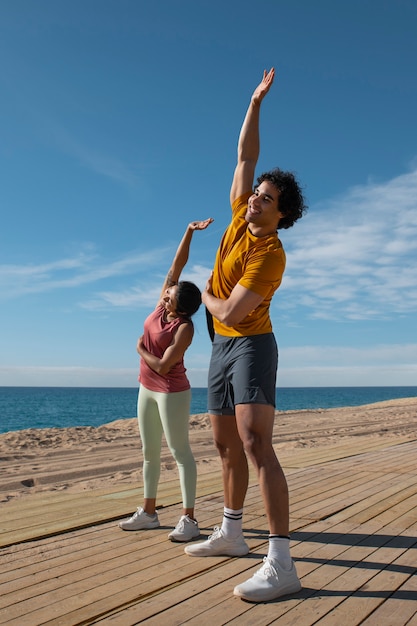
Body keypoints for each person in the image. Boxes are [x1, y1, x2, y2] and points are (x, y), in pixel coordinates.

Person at [184, 69, 307, 601]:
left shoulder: (271, 253)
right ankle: (232, 532)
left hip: (252, 345)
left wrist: (200, 295)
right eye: (257, 194)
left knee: (257, 444)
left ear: (282, 214)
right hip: (221, 347)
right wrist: (254, 103)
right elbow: (244, 157)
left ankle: (281, 562)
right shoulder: (239, 218)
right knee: (223, 445)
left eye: (266, 198)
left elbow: (232, 311)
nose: (255, 199)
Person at [119, 217, 213, 542]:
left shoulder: (184, 328)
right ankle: (148, 513)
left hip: (171, 391)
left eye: (170, 294)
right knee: (148, 452)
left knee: (179, 451)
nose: (166, 291)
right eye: (168, 290)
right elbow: (177, 265)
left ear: (179, 305)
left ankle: (189, 519)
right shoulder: (162, 305)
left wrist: (139, 349)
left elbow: (161, 365)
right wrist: (188, 232)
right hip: (146, 388)